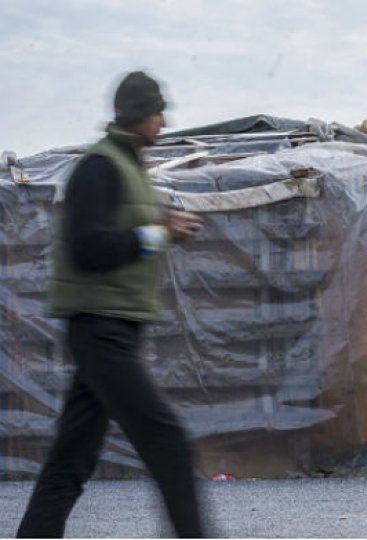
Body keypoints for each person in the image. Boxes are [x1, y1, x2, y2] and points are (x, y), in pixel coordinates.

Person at [16, 71, 207, 538]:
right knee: (168, 442)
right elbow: (88, 248)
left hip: (113, 330)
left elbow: (123, 233)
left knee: (72, 459)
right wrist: (158, 233)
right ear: (140, 115)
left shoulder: (130, 169)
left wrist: (158, 225)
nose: (164, 122)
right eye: (158, 112)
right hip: (100, 331)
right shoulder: (99, 168)